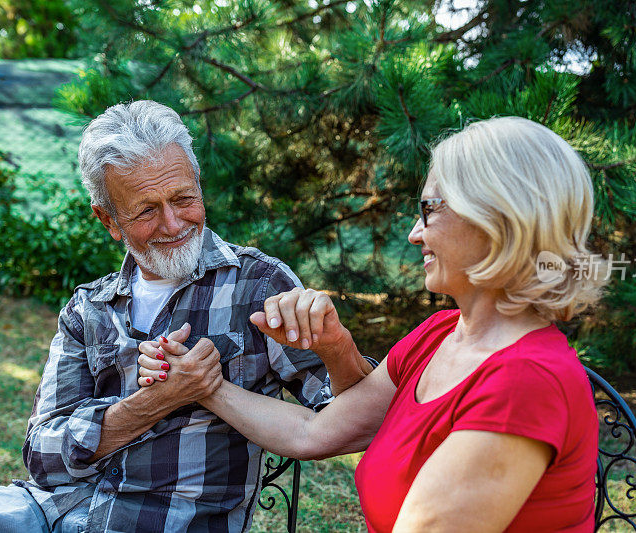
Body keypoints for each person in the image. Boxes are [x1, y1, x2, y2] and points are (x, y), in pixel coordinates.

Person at [139, 116, 606, 531]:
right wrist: (202, 384)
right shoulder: (440, 334)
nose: (414, 232)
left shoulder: (525, 379)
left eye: (430, 209)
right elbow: (311, 432)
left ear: (498, 221)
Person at [0, 100, 373, 532]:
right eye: (146, 210)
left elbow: (356, 418)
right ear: (110, 221)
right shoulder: (88, 308)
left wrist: (335, 346)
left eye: (183, 198)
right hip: (50, 510)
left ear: (199, 184)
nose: (173, 223)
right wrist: (158, 399)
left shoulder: (258, 286)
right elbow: (43, 456)